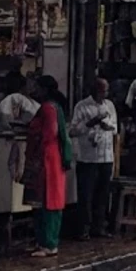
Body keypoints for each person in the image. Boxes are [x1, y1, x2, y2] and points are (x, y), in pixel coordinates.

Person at [20, 76, 72, 258]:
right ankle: (43, 242)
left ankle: (48, 244)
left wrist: (36, 153)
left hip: (48, 160)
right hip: (50, 158)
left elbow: (50, 133)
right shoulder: (54, 107)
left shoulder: (48, 108)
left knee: (49, 201)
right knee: (46, 202)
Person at [69, 78, 117, 240]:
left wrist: (107, 126)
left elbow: (115, 127)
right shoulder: (82, 106)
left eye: (106, 91)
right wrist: (91, 123)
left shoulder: (109, 106)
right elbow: (73, 130)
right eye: (103, 91)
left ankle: (99, 227)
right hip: (88, 158)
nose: (105, 94)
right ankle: (83, 229)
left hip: (106, 157)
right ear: (95, 90)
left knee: (102, 195)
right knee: (85, 195)